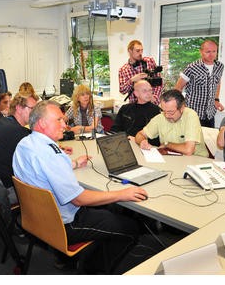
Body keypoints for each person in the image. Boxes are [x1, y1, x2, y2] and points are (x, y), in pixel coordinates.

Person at [12, 100, 148, 273]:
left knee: (108, 211)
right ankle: (91, 270)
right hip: (65, 224)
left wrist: (73, 164)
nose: (65, 125)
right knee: (130, 227)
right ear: (42, 123)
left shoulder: (24, 144)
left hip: (38, 218)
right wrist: (122, 194)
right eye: (59, 120)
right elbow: (78, 199)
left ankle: (75, 259)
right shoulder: (52, 155)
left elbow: (44, 170)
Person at [0, 91, 39, 202]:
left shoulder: (4, 122)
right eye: (32, 109)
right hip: (8, 191)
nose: (36, 115)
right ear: (19, 108)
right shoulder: (19, 133)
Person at [135, 89, 208, 157]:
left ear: (182, 108)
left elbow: (188, 150)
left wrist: (167, 144)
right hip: (172, 159)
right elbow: (140, 134)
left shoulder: (190, 115)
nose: (166, 115)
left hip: (196, 160)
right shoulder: (161, 117)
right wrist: (142, 141)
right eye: (164, 111)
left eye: (171, 112)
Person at [175, 39, 225, 128]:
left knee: (208, 140)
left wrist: (216, 100)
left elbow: (218, 83)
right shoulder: (192, 67)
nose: (211, 54)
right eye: (208, 51)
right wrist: (180, 106)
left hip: (210, 114)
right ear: (201, 52)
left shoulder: (220, 66)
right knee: (193, 140)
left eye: (214, 51)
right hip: (193, 113)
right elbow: (178, 88)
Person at [111, 80, 161, 146]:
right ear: (136, 93)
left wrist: (138, 140)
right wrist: (127, 137)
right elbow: (115, 129)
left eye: (150, 90)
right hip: (125, 143)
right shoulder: (125, 108)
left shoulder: (156, 111)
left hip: (146, 146)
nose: (149, 93)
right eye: (145, 91)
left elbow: (157, 136)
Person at [118, 40, 163, 105]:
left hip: (152, 104)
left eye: (142, 50)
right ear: (130, 51)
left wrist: (155, 97)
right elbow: (122, 90)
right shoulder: (123, 70)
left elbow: (159, 82)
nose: (140, 53)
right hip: (134, 107)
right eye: (138, 51)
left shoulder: (149, 61)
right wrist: (132, 80)